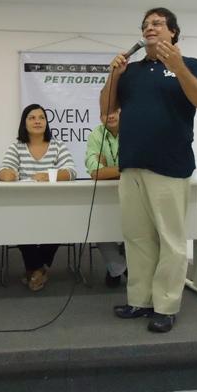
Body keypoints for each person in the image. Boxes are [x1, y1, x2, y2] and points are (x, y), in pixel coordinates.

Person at [100, 7, 197, 333]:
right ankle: (140, 300)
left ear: (173, 32)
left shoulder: (191, 65)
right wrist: (114, 75)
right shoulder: (132, 71)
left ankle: (165, 305)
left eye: (157, 23)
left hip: (170, 166)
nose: (149, 28)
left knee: (170, 240)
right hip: (131, 166)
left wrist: (178, 68)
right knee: (137, 238)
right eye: (145, 25)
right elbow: (106, 110)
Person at [0, 103, 77, 291]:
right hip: (23, 207)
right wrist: (7, 174)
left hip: (54, 206)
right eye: (32, 118)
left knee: (62, 225)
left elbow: (71, 172)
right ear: (24, 123)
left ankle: (34, 269)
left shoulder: (57, 146)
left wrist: (49, 175)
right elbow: (3, 171)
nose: (37, 121)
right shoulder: (17, 147)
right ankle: (38, 269)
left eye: (41, 117)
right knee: (18, 225)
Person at [84, 109, 128, 287]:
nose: (110, 116)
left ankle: (117, 269)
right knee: (98, 229)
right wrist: (126, 168)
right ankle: (120, 268)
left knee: (138, 231)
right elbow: (95, 171)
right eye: (104, 113)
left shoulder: (135, 130)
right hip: (105, 197)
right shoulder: (96, 135)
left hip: (135, 192)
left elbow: (143, 165)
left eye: (114, 111)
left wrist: (107, 169)